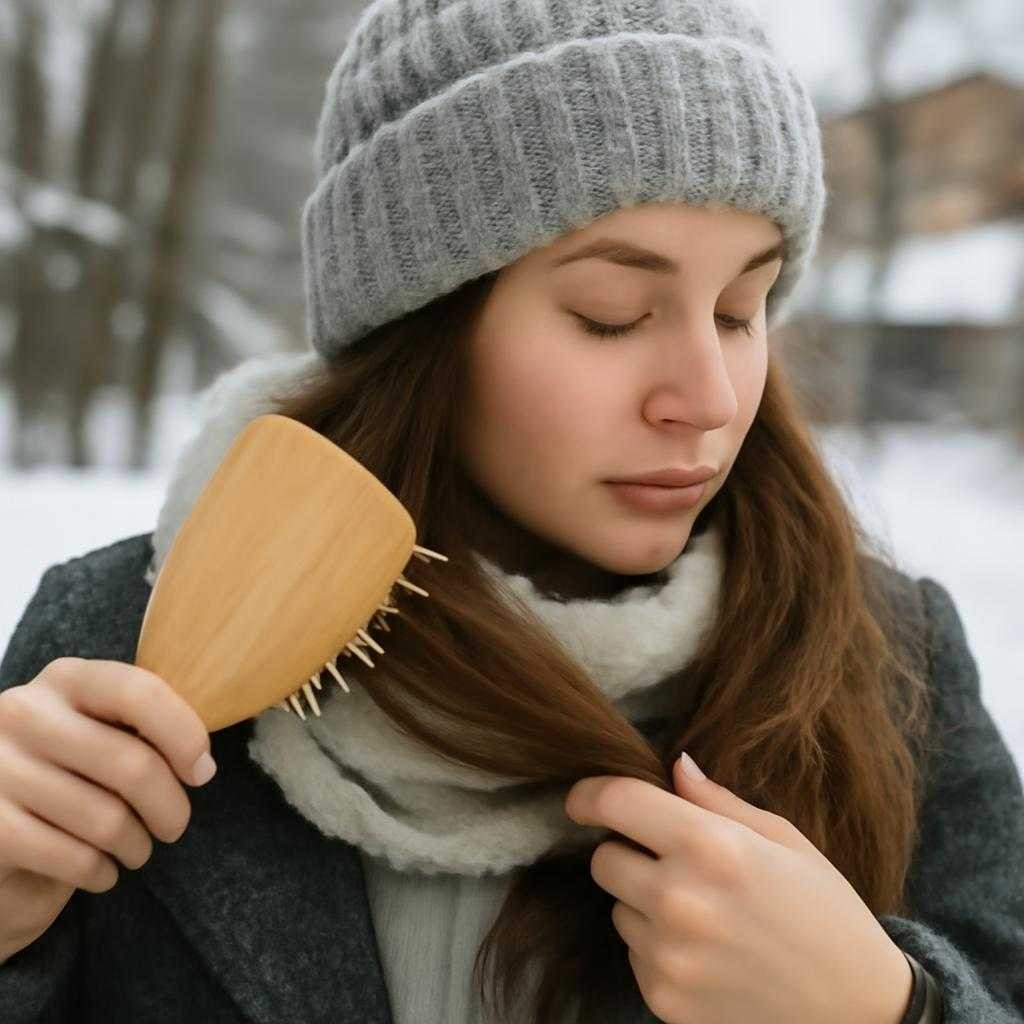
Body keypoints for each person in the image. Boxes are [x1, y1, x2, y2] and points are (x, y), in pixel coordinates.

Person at [1, 0, 1022, 1021]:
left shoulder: (897, 666)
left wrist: (892, 1007)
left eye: (738, 312)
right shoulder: (117, 657)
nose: (709, 398)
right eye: (611, 316)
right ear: (424, 325)